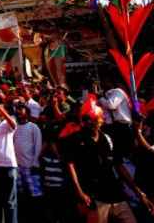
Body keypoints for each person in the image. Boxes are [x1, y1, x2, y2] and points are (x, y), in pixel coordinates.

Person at [63, 95, 154, 223]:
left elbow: (119, 165)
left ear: (100, 120)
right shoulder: (75, 139)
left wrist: (139, 193)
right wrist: (79, 193)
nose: (89, 122)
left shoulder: (107, 138)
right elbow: (70, 166)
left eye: (93, 119)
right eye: (86, 119)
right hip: (94, 199)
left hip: (116, 195)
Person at [13, 103, 42, 222]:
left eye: (21, 109)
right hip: (17, 165)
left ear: (27, 112)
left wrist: (35, 163)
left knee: (34, 192)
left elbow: (38, 145)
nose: (19, 112)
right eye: (17, 109)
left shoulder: (33, 127)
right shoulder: (14, 126)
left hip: (30, 165)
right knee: (21, 192)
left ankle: (36, 216)